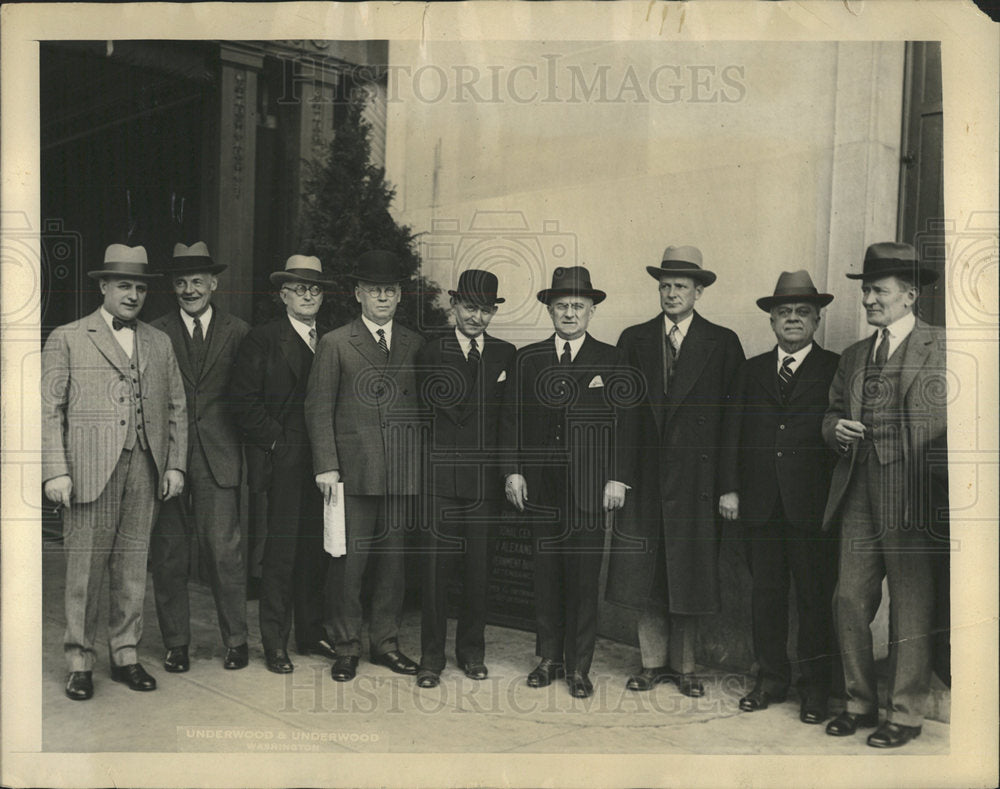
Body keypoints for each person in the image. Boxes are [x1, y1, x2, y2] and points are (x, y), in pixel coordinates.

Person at [42, 243, 187, 700]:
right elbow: (49, 411)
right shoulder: (68, 337)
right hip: (88, 470)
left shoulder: (159, 342)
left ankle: (125, 653)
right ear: (103, 286)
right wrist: (55, 472)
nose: (133, 295)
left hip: (145, 467)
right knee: (84, 570)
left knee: (132, 568)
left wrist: (175, 464)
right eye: (123, 285)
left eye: (140, 287)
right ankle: (79, 661)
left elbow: (177, 408)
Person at [822, 242, 948, 749]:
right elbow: (829, 415)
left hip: (914, 491)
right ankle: (859, 702)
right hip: (857, 488)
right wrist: (836, 431)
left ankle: (905, 712)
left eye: (878, 291)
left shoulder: (942, 345)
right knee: (848, 597)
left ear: (909, 295)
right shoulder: (855, 355)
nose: (869, 299)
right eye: (866, 290)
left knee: (911, 602)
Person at [606, 245, 744, 698]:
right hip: (645, 478)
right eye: (664, 286)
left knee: (688, 574)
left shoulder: (722, 343)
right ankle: (650, 663)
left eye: (680, 286)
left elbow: (732, 424)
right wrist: (618, 475)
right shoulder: (635, 339)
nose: (671, 294)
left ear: (698, 292)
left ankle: (685, 668)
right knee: (647, 575)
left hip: (697, 485)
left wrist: (728, 487)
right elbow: (621, 414)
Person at [501, 266, 634, 698]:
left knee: (582, 576)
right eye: (562, 306)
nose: (570, 313)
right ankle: (548, 658)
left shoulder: (611, 359)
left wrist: (616, 478)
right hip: (541, 485)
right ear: (549, 310)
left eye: (578, 306)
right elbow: (511, 420)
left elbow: (624, 424)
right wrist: (514, 470)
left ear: (592, 311)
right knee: (546, 573)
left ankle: (579, 666)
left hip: (590, 487)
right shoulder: (528, 358)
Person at [305, 250, 425, 682]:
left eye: (390, 290)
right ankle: (346, 645)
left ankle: (385, 644)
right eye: (374, 290)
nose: (383, 297)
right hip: (351, 474)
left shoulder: (414, 343)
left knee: (393, 567)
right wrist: (326, 466)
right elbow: (318, 409)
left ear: (399, 295)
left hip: (401, 474)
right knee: (347, 566)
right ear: (358, 294)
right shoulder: (336, 342)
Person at [733, 270, 842, 723]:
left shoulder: (835, 367)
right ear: (771, 321)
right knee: (767, 596)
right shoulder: (751, 369)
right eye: (784, 313)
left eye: (802, 313)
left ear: (816, 321)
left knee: (815, 599)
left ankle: (814, 689)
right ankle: (770, 679)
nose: (792, 320)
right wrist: (730, 488)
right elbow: (731, 434)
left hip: (812, 507)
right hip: (760, 504)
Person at [148, 242, 251, 673]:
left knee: (224, 553)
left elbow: (249, 398)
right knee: (169, 554)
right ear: (173, 288)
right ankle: (176, 644)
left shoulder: (239, 331)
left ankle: (237, 640)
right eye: (181, 283)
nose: (190, 289)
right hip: (167, 458)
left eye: (197, 281)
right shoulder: (154, 332)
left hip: (219, 456)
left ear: (214, 283)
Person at [230, 254, 334, 673]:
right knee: (281, 554)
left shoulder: (329, 339)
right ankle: (275, 641)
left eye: (314, 289)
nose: (307, 296)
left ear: (322, 296)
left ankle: (310, 634)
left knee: (316, 550)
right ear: (283, 295)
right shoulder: (263, 339)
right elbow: (242, 402)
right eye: (298, 289)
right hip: (284, 463)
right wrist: (279, 444)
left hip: (325, 462)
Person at [414, 270, 515, 688]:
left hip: (484, 485)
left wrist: (508, 473)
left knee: (478, 572)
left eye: (485, 310)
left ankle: (472, 652)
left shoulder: (506, 355)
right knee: (435, 573)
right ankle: (431, 658)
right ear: (454, 306)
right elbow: (421, 418)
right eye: (469, 307)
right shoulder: (430, 351)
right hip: (439, 482)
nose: (476, 317)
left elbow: (510, 422)